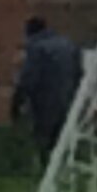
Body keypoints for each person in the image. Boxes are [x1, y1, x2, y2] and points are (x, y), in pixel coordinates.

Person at [11, 16, 82, 166]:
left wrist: (17, 101)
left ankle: (46, 169)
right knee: (63, 135)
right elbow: (79, 72)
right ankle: (65, 166)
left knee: (44, 137)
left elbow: (29, 77)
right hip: (69, 97)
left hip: (44, 99)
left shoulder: (35, 47)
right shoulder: (68, 44)